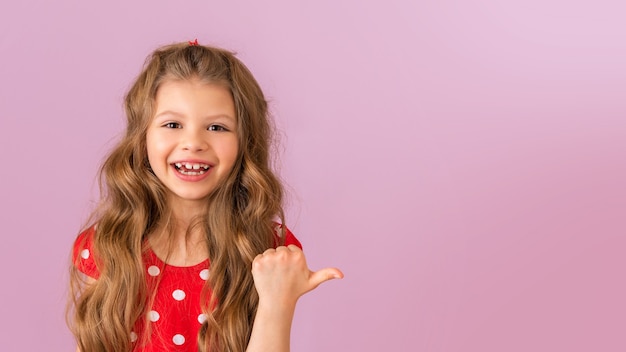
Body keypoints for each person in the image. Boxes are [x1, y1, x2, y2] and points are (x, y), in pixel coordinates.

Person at [68, 40, 343, 352]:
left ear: (245, 142)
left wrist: (277, 302)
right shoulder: (110, 244)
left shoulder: (267, 249)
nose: (193, 142)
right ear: (142, 137)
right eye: (172, 124)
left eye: (216, 127)